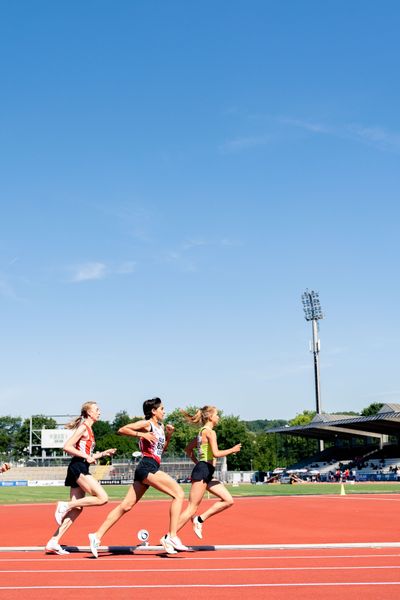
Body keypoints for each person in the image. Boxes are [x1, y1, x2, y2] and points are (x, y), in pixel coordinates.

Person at [88, 397, 187, 557]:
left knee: (125, 506)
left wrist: (168, 435)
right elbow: (121, 430)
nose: (164, 411)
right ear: (153, 411)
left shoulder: (160, 427)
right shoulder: (147, 424)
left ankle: (96, 536)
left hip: (150, 466)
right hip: (147, 466)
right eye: (162, 409)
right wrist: (140, 434)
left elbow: (161, 450)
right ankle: (171, 537)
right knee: (179, 494)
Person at [45, 401, 116, 555]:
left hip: (80, 466)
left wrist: (103, 453)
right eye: (97, 409)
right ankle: (64, 505)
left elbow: (87, 455)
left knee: (77, 509)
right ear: (89, 413)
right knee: (102, 498)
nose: (100, 412)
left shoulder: (90, 430)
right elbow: (67, 446)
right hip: (78, 467)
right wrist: (86, 456)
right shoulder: (84, 427)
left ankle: (53, 542)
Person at [176, 406, 241, 540]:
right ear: (210, 417)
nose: (218, 417)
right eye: (217, 415)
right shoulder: (210, 432)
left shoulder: (201, 432)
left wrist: (199, 463)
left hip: (206, 472)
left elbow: (188, 449)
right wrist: (232, 450)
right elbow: (216, 453)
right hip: (203, 471)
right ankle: (169, 535)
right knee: (191, 509)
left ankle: (199, 520)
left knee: (228, 500)